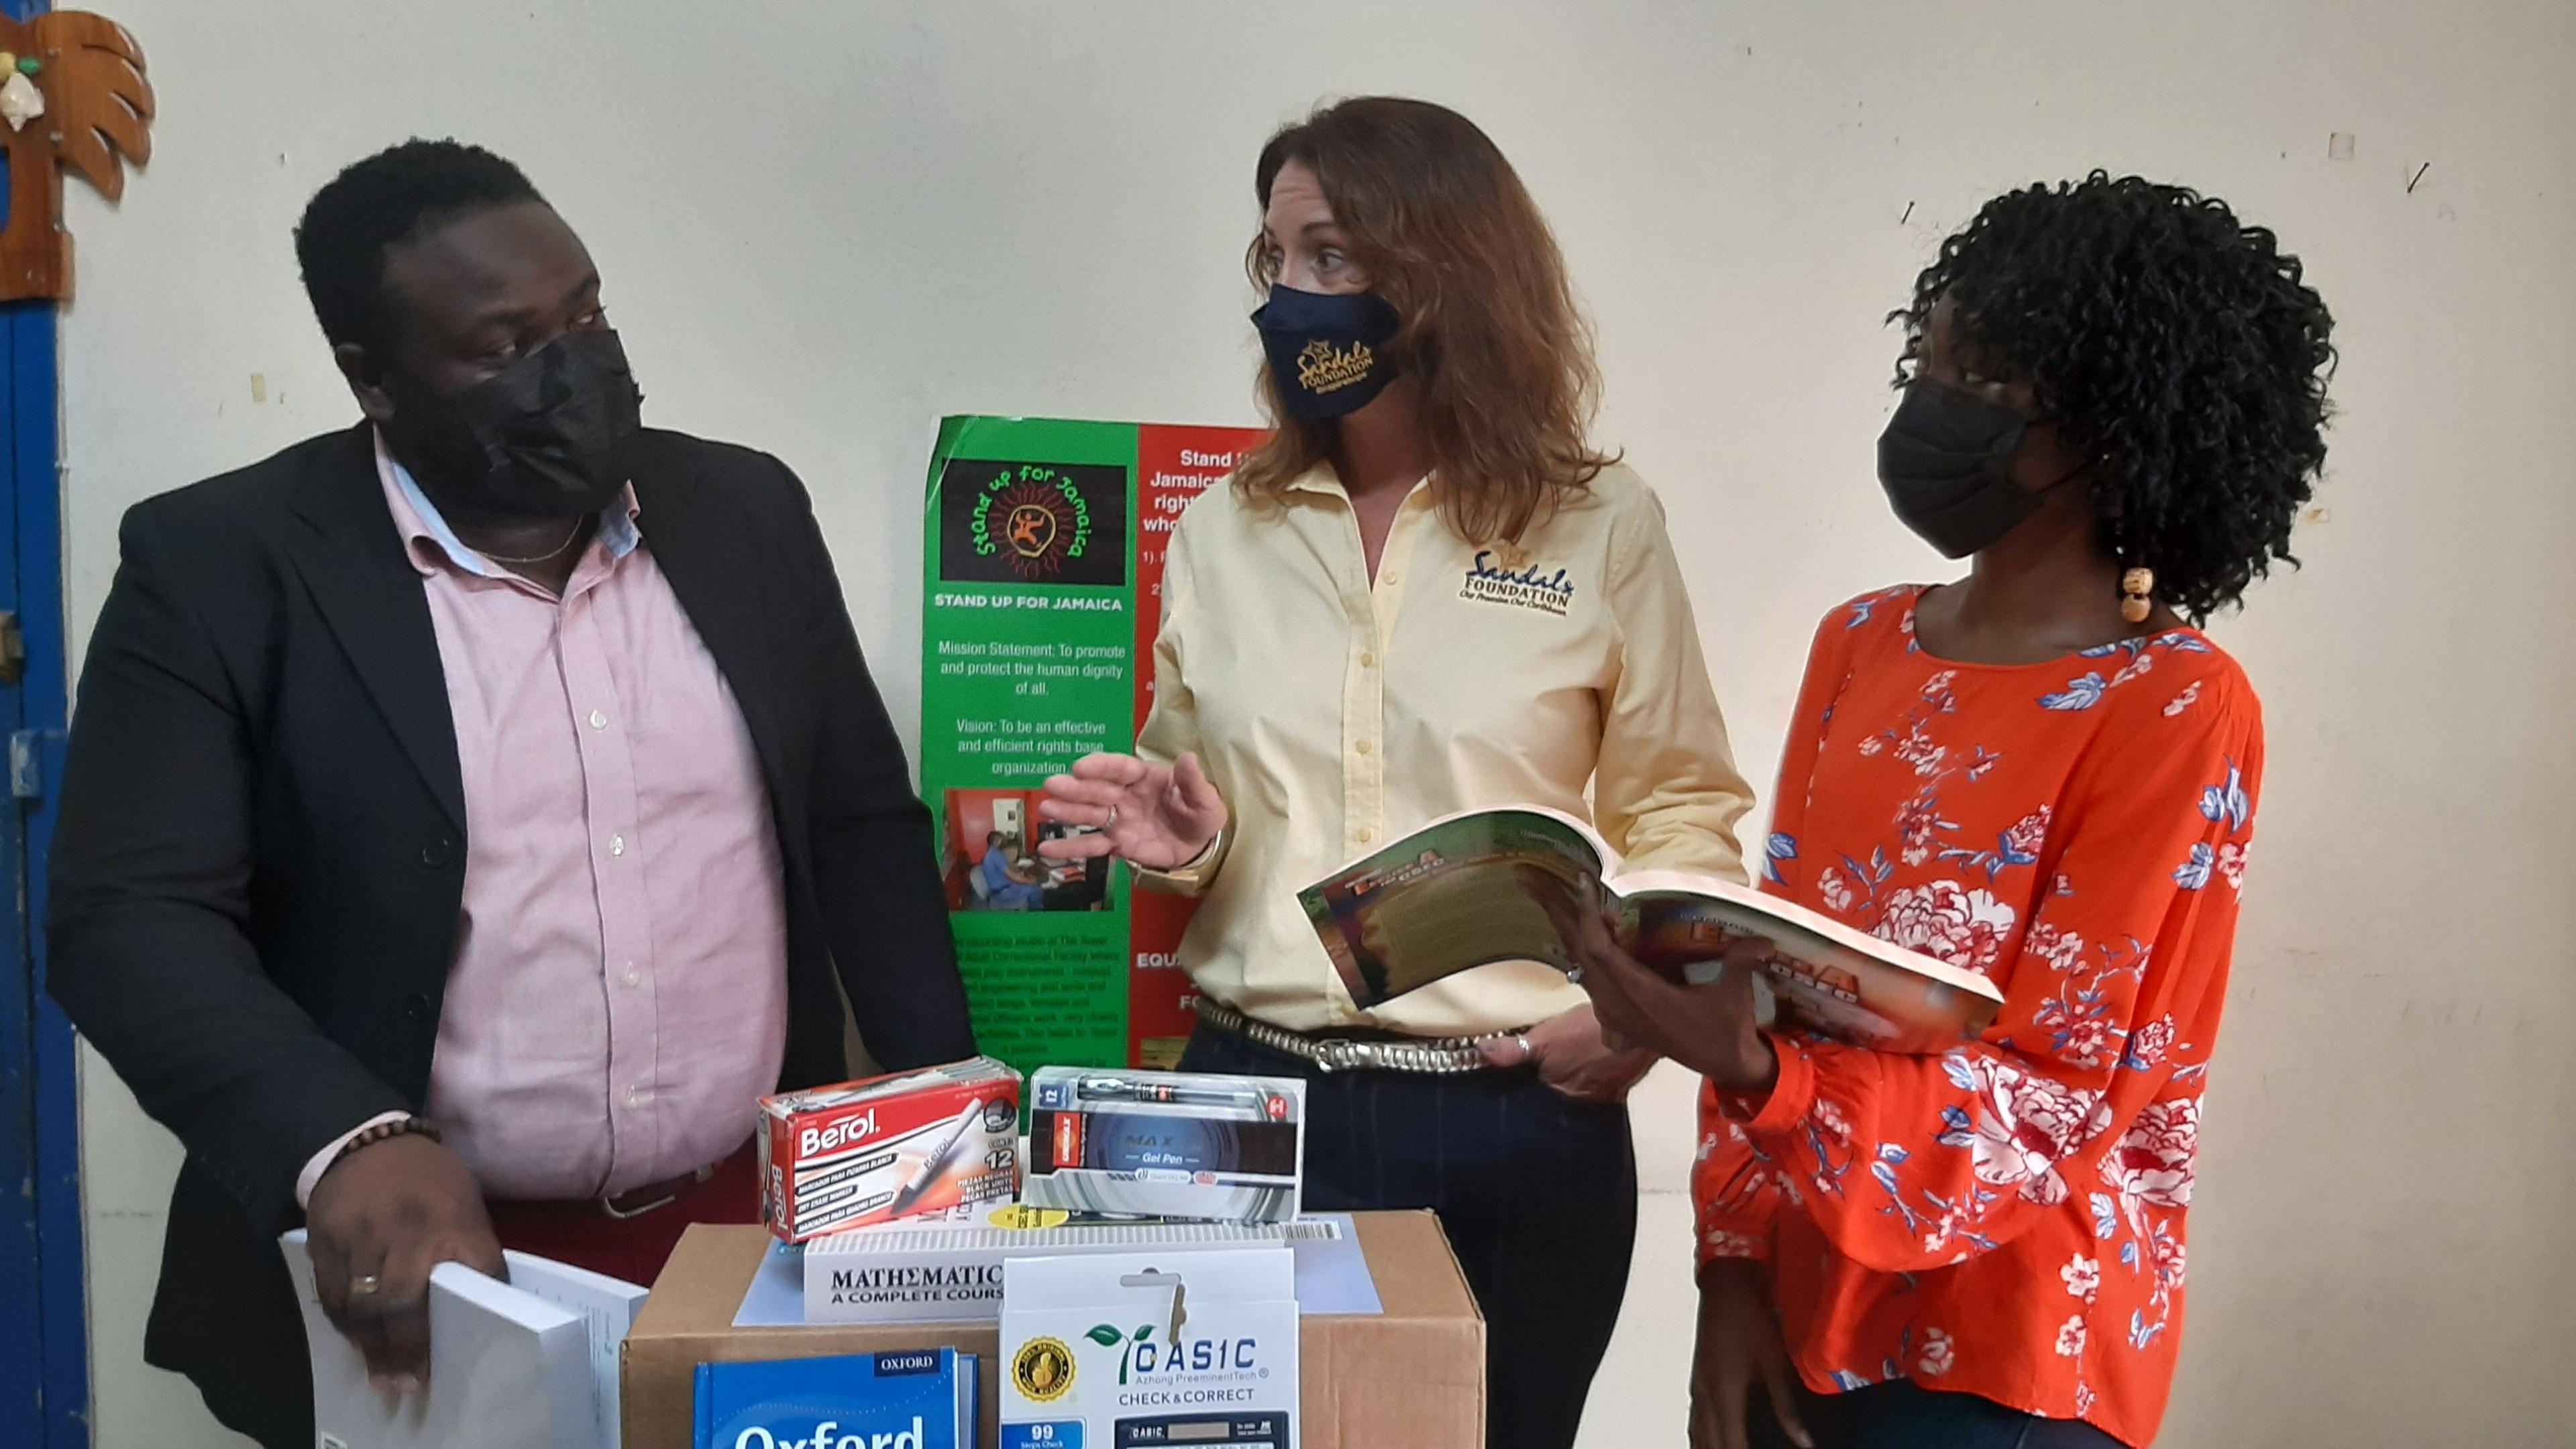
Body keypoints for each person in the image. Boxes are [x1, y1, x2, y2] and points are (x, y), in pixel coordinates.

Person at [43, 140, 976, 1449]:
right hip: (431, 1288)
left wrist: (946, 1133)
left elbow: (858, 826)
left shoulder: (746, 512)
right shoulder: (219, 565)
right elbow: (130, 919)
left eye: (585, 315)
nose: (573, 367)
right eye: (506, 345)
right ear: (373, 378)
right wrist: (344, 1139)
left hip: (742, 1240)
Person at [1574, 173, 2334, 1449]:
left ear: (2114, 423)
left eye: (1981, 380)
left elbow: (2061, 1092)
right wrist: (1733, 1267)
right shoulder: (1863, 642)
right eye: (1926, 365)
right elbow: (1773, 974)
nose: (1932, 406)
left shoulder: (2177, 705)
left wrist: (1759, 1074)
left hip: (2012, 1347)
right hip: (1802, 1310)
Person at [1038, 97, 1756, 1449]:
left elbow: (1683, 805)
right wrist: (1183, 841)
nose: (1289, 298)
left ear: (1446, 275)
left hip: (1514, 1121)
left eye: (1330, 256)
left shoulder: (1598, 523)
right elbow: (1202, 806)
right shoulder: (1225, 528)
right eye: (1276, 260)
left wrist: (1635, 1013)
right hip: (1249, 1108)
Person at [979, 828, 1047, 908]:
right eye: (1003, 840)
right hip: (1003, 892)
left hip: (1004, 886)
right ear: (996, 842)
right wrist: (1033, 881)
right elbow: (1013, 877)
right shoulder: (995, 855)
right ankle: (1037, 913)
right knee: (1036, 889)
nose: (1005, 842)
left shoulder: (992, 853)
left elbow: (1006, 872)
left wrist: (1022, 876)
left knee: (1028, 882)